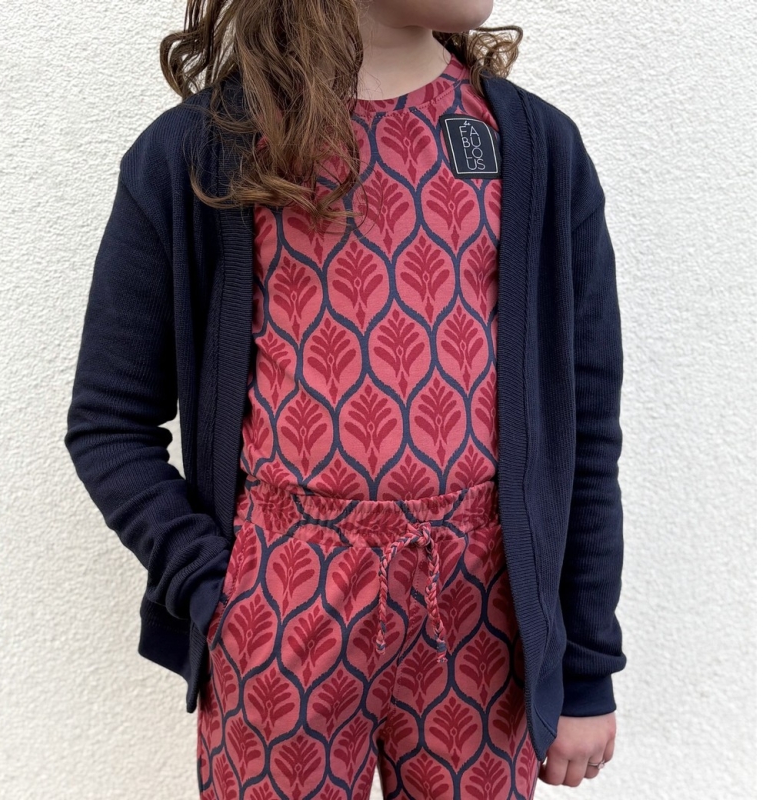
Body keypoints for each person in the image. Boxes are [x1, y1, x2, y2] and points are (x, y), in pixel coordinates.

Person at [64, 0, 628, 797]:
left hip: (485, 622)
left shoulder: (534, 149)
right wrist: (216, 589)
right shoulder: (202, 153)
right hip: (280, 611)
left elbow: (585, 429)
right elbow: (109, 422)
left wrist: (586, 667)